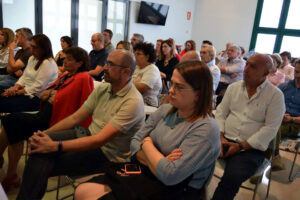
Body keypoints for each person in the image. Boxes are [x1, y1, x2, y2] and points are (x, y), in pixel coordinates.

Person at [74, 60, 220, 200]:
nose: (170, 90)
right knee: (82, 190)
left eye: (179, 87)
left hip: (176, 191)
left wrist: (147, 143)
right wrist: (161, 160)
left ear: (198, 93)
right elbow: (134, 142)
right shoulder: (165, 110)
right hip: (147, 174)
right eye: (172, 84)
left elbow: (170, 176)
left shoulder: (206, 128)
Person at [16, 49, 145, 199]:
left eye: (110, 64)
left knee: (42, 160)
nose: (104, 67)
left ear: (125, 72)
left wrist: (54, 145)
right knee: (39, 147)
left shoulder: (133, 102)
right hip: (88, 135)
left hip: (106, 155)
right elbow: (75, 118)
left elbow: (100, 140)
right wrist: (45, 134)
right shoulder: (104, 88)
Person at [0, 46, 94, 192]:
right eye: (65, 58)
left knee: (12, 122)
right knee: (12, 124)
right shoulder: (66, 75)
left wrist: (54, 96)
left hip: (57, 121)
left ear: (80, 63)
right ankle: (11, 174)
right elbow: (45, 93)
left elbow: (86, 108)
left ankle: (10, 173)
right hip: (44, 115)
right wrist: (49, 94)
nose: (65, 62)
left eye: (69, 59)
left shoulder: (84, 78)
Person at [212, 54, 285, 200]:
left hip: (249, 149)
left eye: (252, 67)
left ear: (265, 73)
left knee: (232, 178)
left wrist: (240, 147)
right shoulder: (233, 88)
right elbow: (220, 113)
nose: (246, 69)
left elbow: (270, 129)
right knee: (192, 159)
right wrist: (220, 137)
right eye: (247, 64)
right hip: (223, 139)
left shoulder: (275, 96)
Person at [0, 34, 58, 113]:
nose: (32, 49)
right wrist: (15, 87)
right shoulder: (32, 58)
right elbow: (24, 76)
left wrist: (15, 93)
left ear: (43, 49)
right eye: (31, 46)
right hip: (25, 92)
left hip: (36, 98)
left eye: (35, 47)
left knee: (3, 103)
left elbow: (36, 88)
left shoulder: (48, 63)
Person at [272, 59, 300, 170]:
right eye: (296, 72)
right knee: (268, 128)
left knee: (271, 131)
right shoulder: (284, 86)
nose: (297, 75)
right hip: (279, 118)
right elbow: (272, 103)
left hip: (295, 123)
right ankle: (275, 157)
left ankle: (274, 156)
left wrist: (292, 119)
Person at [133, 42, 162, 107]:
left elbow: (142, 88)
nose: (135, 56)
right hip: (135, 101)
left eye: (138, 54)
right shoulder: (136, 67)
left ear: (147, 57)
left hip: (148, 105)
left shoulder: (152, 69)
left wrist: (125, 83)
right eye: (135, 53)